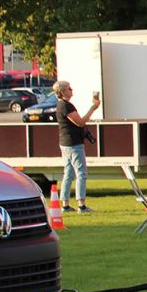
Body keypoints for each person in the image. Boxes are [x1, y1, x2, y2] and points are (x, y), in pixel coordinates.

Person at [53, 81, 99, 213]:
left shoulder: (61, 105)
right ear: (62, 92)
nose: (71, 90)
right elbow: (80, 122)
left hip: (65, 142)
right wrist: (93, 108)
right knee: (81, 173)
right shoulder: (66, 106)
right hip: (73, 143)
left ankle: (65, 204)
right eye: (69, 88)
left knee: (68, 173)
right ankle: (81, 205)